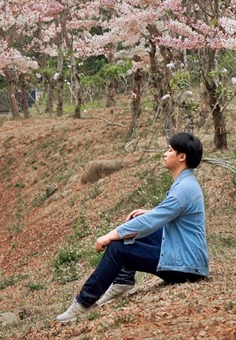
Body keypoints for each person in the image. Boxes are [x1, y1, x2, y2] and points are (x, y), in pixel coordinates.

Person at [56, 132, 209, 323]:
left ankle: (83, 304)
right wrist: (146, 213)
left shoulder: (184, 188)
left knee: (118, 247)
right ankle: (123, 281)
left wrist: (110, 235)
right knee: (133, 224)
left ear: (181, 157)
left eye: (169, 150)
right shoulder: (186, 183)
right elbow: (166, 214)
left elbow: (152, 221)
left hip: (185, 266)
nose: (165, 154)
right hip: (188, 258)